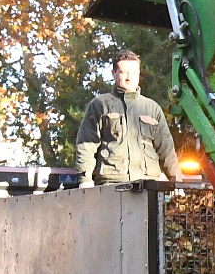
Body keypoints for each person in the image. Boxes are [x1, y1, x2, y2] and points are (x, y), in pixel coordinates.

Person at [73, 50, 182, 186]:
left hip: (148, 186)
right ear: (113, 73)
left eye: (134, 73)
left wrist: (176, 181)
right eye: (124, 72)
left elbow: (166, 149)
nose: (129, 78)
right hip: (112, 185)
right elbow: (86, 145)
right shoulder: (100, 105)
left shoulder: (152, 108)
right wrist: (85, 180)